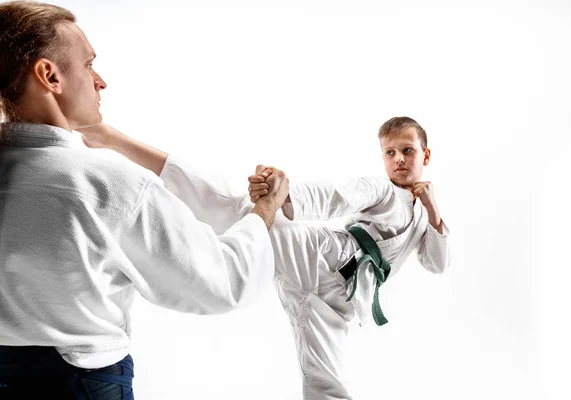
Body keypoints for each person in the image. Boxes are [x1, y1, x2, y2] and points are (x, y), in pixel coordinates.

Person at [0, 2, 288, 399]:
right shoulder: (109, 185)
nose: (100, 81)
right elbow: (222, 284)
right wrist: (264, 211)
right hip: (80, 385)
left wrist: (109, 137)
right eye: (88, 64)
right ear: (50, 76)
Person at [79, 116, 451, 399]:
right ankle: (111, 138)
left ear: (426, 155)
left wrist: (433, 211)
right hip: (317, 257)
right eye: (391, 152)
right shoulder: (380, 189)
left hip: (336, 302)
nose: (399, 159)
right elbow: (336, 196)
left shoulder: (423, 214)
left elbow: (437, 264)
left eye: (408, 151)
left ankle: (266, 196)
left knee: (326, 383)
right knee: (229, 203)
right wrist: (281, 194)